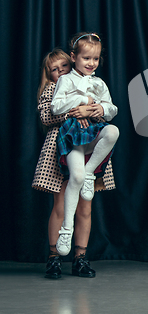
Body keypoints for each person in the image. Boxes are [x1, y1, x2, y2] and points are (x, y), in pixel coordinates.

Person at [33, 48, 116, 278]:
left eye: (63, 67)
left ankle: (80, 258)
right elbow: (47, 116)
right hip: (59, 149)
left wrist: (92, 111)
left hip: (87, 145)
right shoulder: (52, 88)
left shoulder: (85, 84)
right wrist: (75, 113)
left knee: (85, 206)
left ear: (72, 64)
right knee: (60, 204)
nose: (60, 73)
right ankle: (54, 258)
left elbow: (103, 111)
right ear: (48, 75)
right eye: (54, 70)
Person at [51, 33, 119, 261]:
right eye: (86, 58)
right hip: (72, 135)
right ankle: (66, 231)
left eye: (96, 59)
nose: (91, 63)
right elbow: (56, 107)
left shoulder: (99, 83)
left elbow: (112, 109)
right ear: (74, 57)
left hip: (92, 134)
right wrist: (83, 101)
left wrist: (100, 109)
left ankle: (90, 174)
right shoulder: (65, 80)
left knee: (113, 130)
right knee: (75, 179)